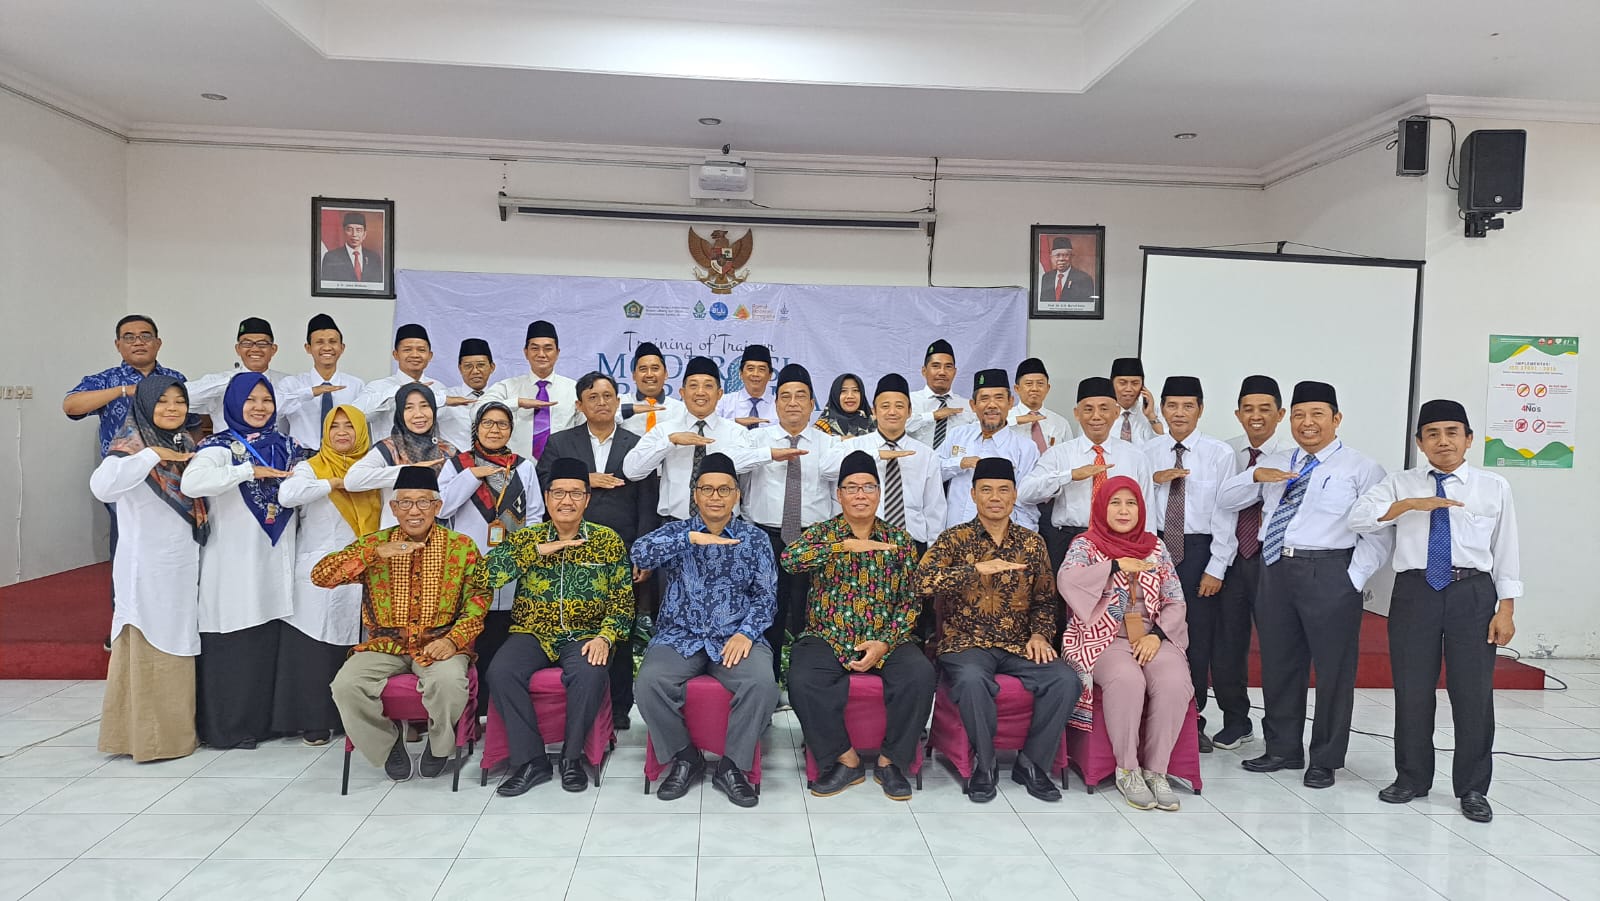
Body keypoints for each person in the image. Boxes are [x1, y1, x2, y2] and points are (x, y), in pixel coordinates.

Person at [1349, 399, 1520, 823]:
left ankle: (1473, 788)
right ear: (1420, 442)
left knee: (1472, 692)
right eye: (1433, 434)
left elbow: (1506, 550)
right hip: (1416, 591)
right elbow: (1359, 518)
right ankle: (1411, 778)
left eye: (1452, 432)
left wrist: (1506, 609)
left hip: (1472, 592)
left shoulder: (1493, 486)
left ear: (1469, 439)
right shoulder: (1400, 482)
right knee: (1412, 688)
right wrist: (1408, 505)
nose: (1443, 441)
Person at [1216, 380, 1392, 789]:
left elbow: (1380, 533)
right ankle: (1283, 748)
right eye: (1298, 415)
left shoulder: (1361, 468)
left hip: (1329, 570)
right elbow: (1225, 499)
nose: (1307, 423)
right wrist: (1255, 475)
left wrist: (1352, 578)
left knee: (1332, 671)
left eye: (1317, 415)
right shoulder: (1277, 461)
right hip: (1276, 567)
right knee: (1279, 663)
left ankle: (1325, 758)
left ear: (1336, 419)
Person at [917, 457, 1077, 803]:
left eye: (1003, 490)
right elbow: (922, 582)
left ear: (1015, 495)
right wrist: (974, 570)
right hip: (966, 643)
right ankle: (985, 765)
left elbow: (1045, 600)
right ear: (973, 494)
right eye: (986, 490)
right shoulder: (954, 539)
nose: (995, 497)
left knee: (1066, 680)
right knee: (972, 680)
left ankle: (1031, 763)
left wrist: (1039, 635)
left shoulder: (1032, 544)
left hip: (1018, 644)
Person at [316, 466, 489, 781]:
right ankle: (387, 744)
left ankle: (439, 747)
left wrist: (453, 640)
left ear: (437, 507)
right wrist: (374, 554)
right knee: (345, 685)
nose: (414, 511)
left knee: (449, 683)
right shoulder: (375, 543)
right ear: (394, 508)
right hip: (385, 645)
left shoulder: (462, 547)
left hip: (440, 643)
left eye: (423, 502)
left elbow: (479, 599)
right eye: (405, 503)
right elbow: (321, 576)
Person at [782, 450, 933, 801]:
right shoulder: (823, 533)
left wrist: (884, 642)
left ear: (879, 493)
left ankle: (890, 761)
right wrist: (840, 547)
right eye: (851, 487)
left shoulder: (900, 541)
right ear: (839, 494)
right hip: (827, 635)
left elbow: (911, 601)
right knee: (802, 678)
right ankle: (844, 759)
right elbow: (789, 560)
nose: (860, 495)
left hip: (887, 638)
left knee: (920, 675)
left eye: (868, 487)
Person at [631, 453, 780, 808]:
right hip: (680, 636)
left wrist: (746, 633)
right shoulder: (677, 532)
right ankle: (685, 756)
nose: (715, 496)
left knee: (762, 684)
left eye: (724, 489)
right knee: (649, 683)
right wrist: (690, 540)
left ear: (737, 495)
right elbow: (640, 553)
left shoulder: (755, 539)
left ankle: (732, 766)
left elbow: (767, 596)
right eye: (707, 489)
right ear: (695, 494)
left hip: (735, 637)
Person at [483, 457, 634, 796]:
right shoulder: (527, 538)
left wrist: (606, 637)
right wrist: (536, 551)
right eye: (559, 493)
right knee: (501, 672)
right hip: (532, 631)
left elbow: (622, 601)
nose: (567, 501)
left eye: (576, 493)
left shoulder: (606, 540)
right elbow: (486, 576)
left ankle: (571, 758)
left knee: (590, 673)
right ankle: (532, 760)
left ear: (587, 499)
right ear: (547, 497)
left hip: (585, 633)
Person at [180, 372, 307, 750]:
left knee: (267, 638)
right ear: (234, 403)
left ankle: (265, 723)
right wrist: (248, 470)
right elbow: (191, 483)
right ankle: (229, 728)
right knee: (235, 638)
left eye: (266, 400)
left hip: (275, 557)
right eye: (250, 400)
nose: (259, 407)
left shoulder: (287, 445)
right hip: (233, 560)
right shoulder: (219, 447)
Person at [91, 376, 208, 762]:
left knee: (178, 643)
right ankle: (148, 740)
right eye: (162, 401)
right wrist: (151, 455)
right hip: (146, 570)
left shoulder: (185, 444)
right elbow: (102, 488)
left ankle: (176, 735)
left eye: (179, 401)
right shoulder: (130, 447)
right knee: (151, 647)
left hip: (181, 565)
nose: (172, 408)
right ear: (144, 405)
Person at [1059, 476, 1193, 811]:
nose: (1123, 510)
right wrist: (1115, 565)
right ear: (1101, 508)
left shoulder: (1156, 547)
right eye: (1115, 503)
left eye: (1131, 503)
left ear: (1141, 508)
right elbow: (1067, 581)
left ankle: (1156, 771)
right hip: (1102, 637)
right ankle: (1128, 770)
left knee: (1175, 682)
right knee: (1127, 680)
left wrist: (1156, 636)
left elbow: (1175, 599)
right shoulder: (1086, 545)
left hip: (1153, 635)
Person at [539, 372, 658, 730]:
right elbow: (543, 485)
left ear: (617, 401)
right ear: (579, 405)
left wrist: (642, 551)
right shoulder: (560, 443)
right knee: (575, 625)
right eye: (593, 397)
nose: (602, 402)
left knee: (619, 629)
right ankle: (577, 699)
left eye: (608, 396)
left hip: (622, 550)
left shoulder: (637, 444)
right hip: (570, 550)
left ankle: (619, 706)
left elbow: (647, 502)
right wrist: (584, 479)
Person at [65, 314, 186, 646]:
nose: (138, 342)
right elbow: (71, 406)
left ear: (158, 343)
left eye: (145, 335)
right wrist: (124, 391)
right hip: (125, 483)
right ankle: (124, 626)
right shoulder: (107, 379)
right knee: (127, 553)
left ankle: (166, 622)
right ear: (118, 345)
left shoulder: (175, 379)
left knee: (168, 553)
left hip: (169, 482)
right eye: (129, 337)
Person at [1140, 376, 1237, 754]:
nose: (1179, 413)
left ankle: (1191, 720)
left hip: (1199, 551)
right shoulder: (1148, 451)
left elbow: (1227, 513)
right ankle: (1150, 715)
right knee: (1148, 630)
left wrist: (1217, 566)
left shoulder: (1218, 454)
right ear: (1162, 408)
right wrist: (1153, 480)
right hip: (1154, 548)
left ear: (1200, 409)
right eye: (1172, 406)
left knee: (1195, 638)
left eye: (1188, 406)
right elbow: (1136, 503)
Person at [275, 405, 381, 745]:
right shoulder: (311, 467)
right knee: (314, 650)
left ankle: (352, 720)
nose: (342, 432)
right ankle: (315, 721)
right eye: (335, 427)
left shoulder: (372, 468)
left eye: (350, 426)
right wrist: (332, 483)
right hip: (319, 573)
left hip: (362, 571)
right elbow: (287, 495)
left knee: (354, 648)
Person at [439, 401, 544, 717]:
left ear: (511, 430)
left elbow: (535, 515)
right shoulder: (458, 465)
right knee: (473, 637)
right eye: (488, 423)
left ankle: (498, 712)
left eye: (502, 424)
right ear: (476, 428)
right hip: (471, 565)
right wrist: (473, 476)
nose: (494, 430)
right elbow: (442, 507)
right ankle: (473, 712)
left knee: (503, 636)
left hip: (511, 566)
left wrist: (522, 553)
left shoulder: (523, 466)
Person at [743, 363, 839, 683]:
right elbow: (734, 465)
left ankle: (804, 687)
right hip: (766, 537)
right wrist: (770, 454)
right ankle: (766, 687)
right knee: (766, 614)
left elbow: (837, 494)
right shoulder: (758, 439)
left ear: (812, 404)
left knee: (808, 616)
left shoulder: (828, 443)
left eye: (801, 396)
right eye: (785, 396)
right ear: (776, 403)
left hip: (813, 539)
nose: (793, 403)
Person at [1208, 375, 1290, 751]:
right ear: (1238, 414)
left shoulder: (1293, 454)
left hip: (1274, 561)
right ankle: (1236, 721)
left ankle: (1280, 732)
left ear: (1280, 414)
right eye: (1248, 409)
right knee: (1227, 646)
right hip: (1232, 561)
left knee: (1277, 647)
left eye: (1265, 409)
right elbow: (1220, 505)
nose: (1256, 416)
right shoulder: (1226, 453)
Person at [1018, 377, 1155, 585]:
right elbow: (1025, 493)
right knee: (1067, 602)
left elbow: (1147, 510)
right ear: (1077, 413)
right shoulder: (1059, 454)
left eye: (1104, 409)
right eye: (1088, 409)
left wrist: (1148, 555)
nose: (1096, 416)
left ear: (1116, 412)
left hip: (1120, 542)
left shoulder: (1135, 456)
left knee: (1114, 602)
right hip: (1069, 541)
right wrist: (1069, 476)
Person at [623, 356, 763, 522]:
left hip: (724, 526)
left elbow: (747, 483)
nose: (700, 392)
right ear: (682, 393)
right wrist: (670, 442)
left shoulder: (737, 433)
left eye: (708, 386)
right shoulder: (665, 430)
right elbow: (632, 471)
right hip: (674, 524)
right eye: (693, 386)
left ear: (719, 394)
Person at [828, 374, 946, 554]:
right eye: (885, 406)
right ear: (874, 411)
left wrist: (933, 553)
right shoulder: (855, 446)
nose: (892, 412)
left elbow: (934, 509)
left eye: (899, 406)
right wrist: (875, 455)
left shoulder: (926, 454)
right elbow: (826, 469)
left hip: (912, 544)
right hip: (863, 544)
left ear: (909, 411)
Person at [345, 382, 465, 528]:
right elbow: (352, 481)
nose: (418, 414)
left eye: (425, 406)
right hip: (398, 535)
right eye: (409, 408)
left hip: (442, 536)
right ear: (400, 412)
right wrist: (409, 472)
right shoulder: (390, 447)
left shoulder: (448, 450)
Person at [941, 368, 1041, 530]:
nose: (992, 405)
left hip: (1000, 538)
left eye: (999, 398)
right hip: (955, 535)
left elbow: (1026, 503)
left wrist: (1021, 540)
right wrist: (960, 463)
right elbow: (932, 472)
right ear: (973, 405)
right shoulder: (958, 435)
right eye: (984, 398)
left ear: (1010, 402)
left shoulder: (1025, 448)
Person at [477, 320, 583, 460]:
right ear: (526, 352)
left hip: (562, 468)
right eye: (535, 348)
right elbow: (476, 411)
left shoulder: (574, 389)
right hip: (515, 467)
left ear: (557, 353)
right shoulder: (507, 387)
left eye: (548, 348)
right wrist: (517, 403)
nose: (541, 354)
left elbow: (585, 432)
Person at [276, 314, 366, 449]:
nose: (327, 347)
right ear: (308, 348)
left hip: (343, 456)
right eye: (319, 342)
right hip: (303, 457)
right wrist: (311, 392)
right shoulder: (291, 384)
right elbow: (274, 409)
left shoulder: (355, 385)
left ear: (342, 347)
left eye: (332, 342)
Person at [185, 318, 293, 424]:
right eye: (247, 343)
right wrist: (234, 381)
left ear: (273, 349)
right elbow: (185, 399)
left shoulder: (289, 383)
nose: (255, 349)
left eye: (262, 344)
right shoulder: (219, 381)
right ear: (238, 349)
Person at [353, 324, 450, 439]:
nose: (415, 355)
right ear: (396, 355)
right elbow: (354, 416)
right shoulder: (378, 387)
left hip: (430, 450)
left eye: (421, 350)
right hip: (388, 450)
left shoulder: (438, 387)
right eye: (407, 350)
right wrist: (399, 391)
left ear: (430, 355)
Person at [908, 338, 973, 451]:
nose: (942, 372)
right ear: (924, 371)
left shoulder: (967, 406)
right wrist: (933, 416)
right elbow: (893, 427)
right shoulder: (909, 400)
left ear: (955, 372)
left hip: (956, 462)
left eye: (948, 367)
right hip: (916, 461)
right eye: (936, 366)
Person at [437, 338, 497, 452]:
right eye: (468, 366)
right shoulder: (445, 396)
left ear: (492, 367)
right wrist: (445, 400)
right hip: (454, 461)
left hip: (493, 460)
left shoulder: (500, 396)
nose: (475, 371)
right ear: (460, 368)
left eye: (481, 365)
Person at [619, 341, 683, 436]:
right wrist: (629, 410)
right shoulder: (619, 403)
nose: (649, 375)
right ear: (634, 376)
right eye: (643, 369)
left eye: (655, 368)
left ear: (666, 374)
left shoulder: (680, 409)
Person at [1009, 357, 1075, 450]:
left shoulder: (1060, 423)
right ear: (1017, 388)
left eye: (1040, 384)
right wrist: (1014, 421)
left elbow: (1069, 454)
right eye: (1029, 384)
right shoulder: (1005, 420)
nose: (1035, 388)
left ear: (1047, 388)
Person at [715, 344, 776, 428]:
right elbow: (709, 426)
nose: (755, 374)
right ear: (741, 373)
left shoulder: (778, 405)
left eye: (761, 369)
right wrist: (735, 422)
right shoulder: (724, 402)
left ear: (770, 375)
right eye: (750, 369)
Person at [320, 211, 384, 283]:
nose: (354, 234)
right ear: (344, 232)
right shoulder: (331, 257)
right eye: (350, 230)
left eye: (358, 230)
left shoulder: (374, 258)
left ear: (364, 234)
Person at [1110, 357, 1164, 443]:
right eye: (1122, 383)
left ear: (1142, 386)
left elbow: (1164, 443)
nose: (1128, 389)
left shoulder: (1154, 411)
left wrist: (1151, 416)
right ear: (1112, 384)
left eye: (1135, 383)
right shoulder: (1103, 411)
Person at [1037, 236, 1097, 305]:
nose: (1061, 259)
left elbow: (1088, 306)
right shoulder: (1046, 277)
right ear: (1051, 258)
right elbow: (1043, 304)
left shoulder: (1084, 279)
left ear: (1071, 257)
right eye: (1057, 255)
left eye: (1065, 255)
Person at [814, 372, 875, 438]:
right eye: (843, 391)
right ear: (835, 395)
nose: (850, 396)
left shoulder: (875, 424)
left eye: (855, 390)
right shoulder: (821, 428)